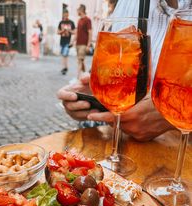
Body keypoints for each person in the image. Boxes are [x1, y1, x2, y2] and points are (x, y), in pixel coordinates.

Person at [57, 0, 192, 142]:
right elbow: (115, 64)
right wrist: (102, 87)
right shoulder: (127, 3)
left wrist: (169, 115)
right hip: (118, 142)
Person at [74, 4, 92, 78]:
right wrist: (73, 41)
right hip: (78, 43)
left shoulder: (87, 20)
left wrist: (88, 45)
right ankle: (85, 75)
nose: (77, 11)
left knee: (79, 61)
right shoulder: (79, 20)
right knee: (81, 60)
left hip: (84, 44)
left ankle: (77, 78)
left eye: (78, 10)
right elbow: (77, 32)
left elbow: (90, 32)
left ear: (81, 10)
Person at [57, 10, 75, 75]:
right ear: (63, 14)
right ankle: (65, 67)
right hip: (62, 41)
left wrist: (69, 30)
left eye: (67, 15)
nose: (66, 16)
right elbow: (58, 32)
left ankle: (64, 68)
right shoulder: (61, 22)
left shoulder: (71, 22)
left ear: (68, 14)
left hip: (68, 41)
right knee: (63, 55)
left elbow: (74, 32)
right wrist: (62, 31)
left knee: (65, 54)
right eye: (64, 15)